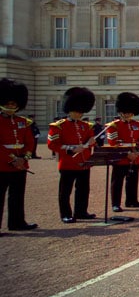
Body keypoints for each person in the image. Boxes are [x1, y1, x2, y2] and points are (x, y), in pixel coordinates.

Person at [48, 87, 97, 223]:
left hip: (84, 162)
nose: (79, 114)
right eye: (77, 111)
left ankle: (81, 211)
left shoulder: (86, 125)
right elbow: (53, 144)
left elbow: (91, 141)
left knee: (83, 190)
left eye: (81, 112)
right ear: (69, 110)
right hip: (68, 162)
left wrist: (91, 142)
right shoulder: (58, 126)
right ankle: (66, 214)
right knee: (65, 191)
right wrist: (72, 148)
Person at [0, 78, 38, 232]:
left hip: (21, 164)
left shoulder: (24, 122)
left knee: (17, 196)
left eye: (14, 104)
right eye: (8, 104)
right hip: (2, 164)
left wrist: (24, 158)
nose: (11, 107)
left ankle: (17, 222)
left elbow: (29, 143)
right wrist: (13, 159)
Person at [107, 92, 139, 212]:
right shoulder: (114, 126)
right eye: (126, 112)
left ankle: (132, 200)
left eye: (130, 112)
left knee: (133, 180)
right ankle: (115, 203)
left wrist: (138, 153)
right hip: (120, 157)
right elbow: (113, 142)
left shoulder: (137, 125)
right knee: (117, 182)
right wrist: (127, 154)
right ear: (121, 112)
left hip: (135, 156)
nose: (128, 114)